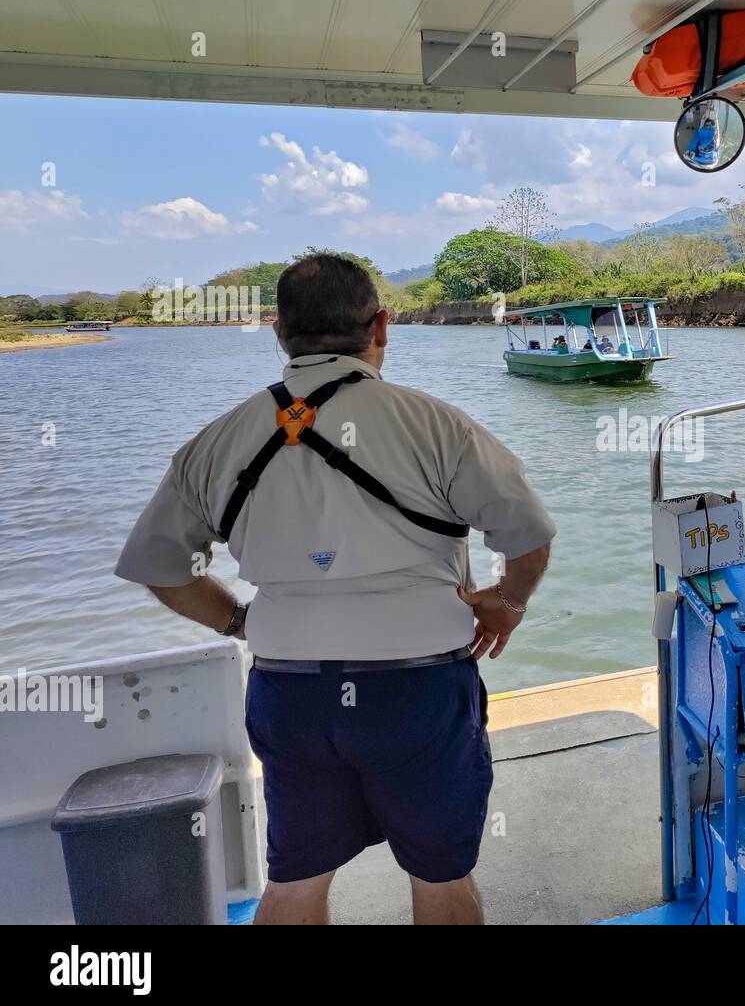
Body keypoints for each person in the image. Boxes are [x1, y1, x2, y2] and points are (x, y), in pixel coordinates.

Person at [115, 253, 555, 925]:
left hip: (290, 696)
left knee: (295, 881)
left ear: (278, 332)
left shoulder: (217, 440)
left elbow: (159, 566)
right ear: (382, 325)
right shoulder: (438, 424)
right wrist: (506, 602)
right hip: (419, 697)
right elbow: (526, 536)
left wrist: (238, 624)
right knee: (441, 879)